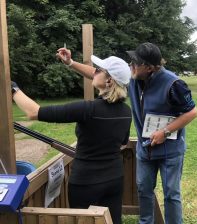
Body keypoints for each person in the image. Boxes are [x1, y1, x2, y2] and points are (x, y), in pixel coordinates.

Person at [11, 54, 132, 224]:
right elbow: (122, 144)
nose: (94, 72)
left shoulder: (87, 109)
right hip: (114, 178)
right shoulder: (126, 112)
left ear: (109, 81)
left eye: (98, 70)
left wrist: (13, 89)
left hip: (85, 182)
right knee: (112, 221)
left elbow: (34, 112)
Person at [127, 42, 197, 224]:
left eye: (135, 62)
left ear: (149, 67)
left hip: (170, 152)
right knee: (143, 189)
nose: (131, 65)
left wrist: (164, 132)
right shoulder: (134, 78)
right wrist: (71, 63)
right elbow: (101, 75)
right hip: (145, 150)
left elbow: (192, 112)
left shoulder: (174, 84)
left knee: (171, 194)